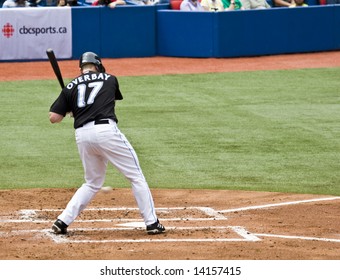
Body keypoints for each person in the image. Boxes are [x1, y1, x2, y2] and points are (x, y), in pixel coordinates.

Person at [49, 52, 165, 235]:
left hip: (82, 136)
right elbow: (104, 98)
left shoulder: (69, 87)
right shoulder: (110, 79)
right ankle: (152, 223)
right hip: (106, 132)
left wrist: (70, 109)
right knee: (136, 176)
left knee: (92, 182)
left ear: (81, 68)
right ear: (98, 65)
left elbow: (54, 118)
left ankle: (62, 221)